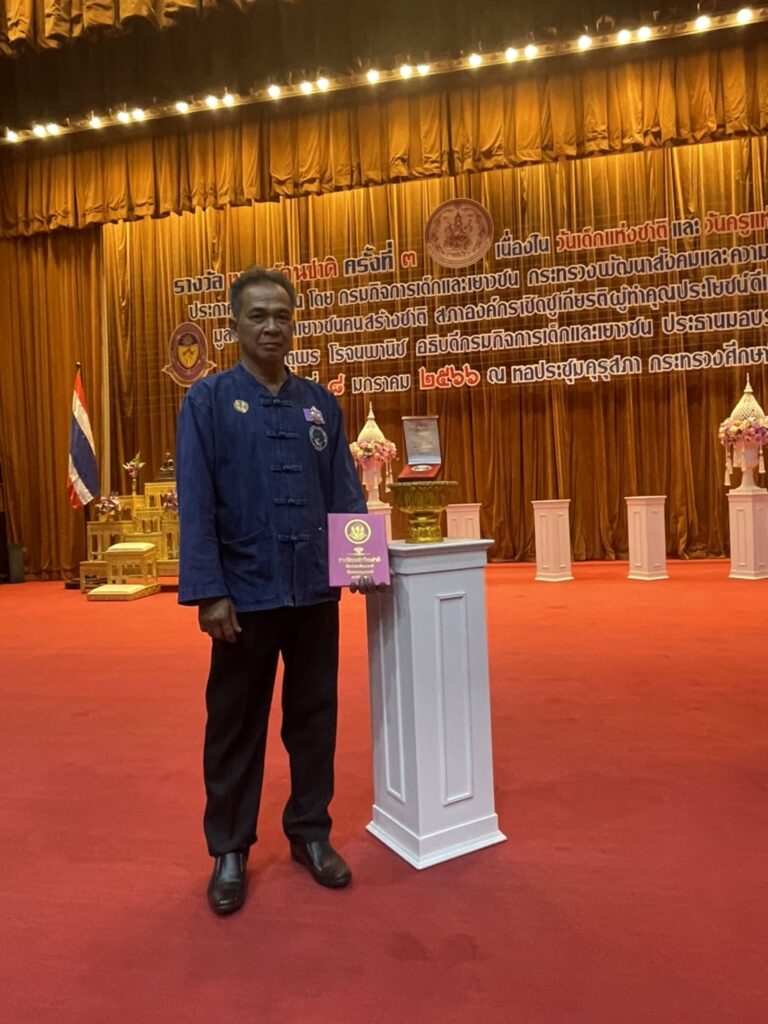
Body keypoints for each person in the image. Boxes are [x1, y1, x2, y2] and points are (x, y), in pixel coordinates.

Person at [176, 266, 376, 916]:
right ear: (233, 324)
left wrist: (360, 565)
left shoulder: (320, 404)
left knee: (314, 720)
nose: (271, 327)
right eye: (257, 315)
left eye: (282, 316)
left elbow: (345, 491)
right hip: (244, 597)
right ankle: (229, 849)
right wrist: (209, 591)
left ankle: (310, 832)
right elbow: (196, 503)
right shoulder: (207, 402)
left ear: (294, 323)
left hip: (314, 592)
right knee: (235, 726)